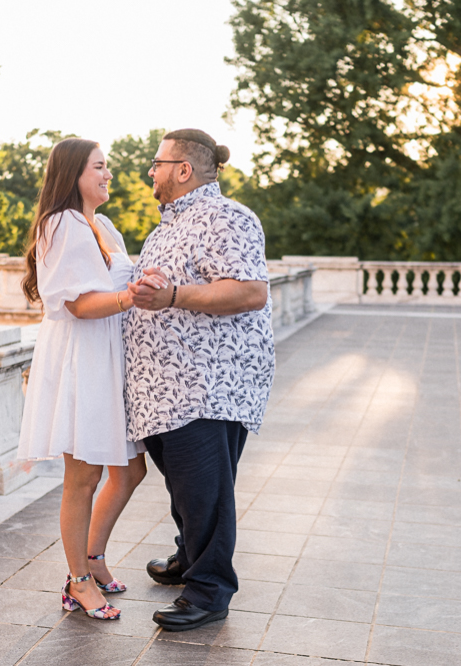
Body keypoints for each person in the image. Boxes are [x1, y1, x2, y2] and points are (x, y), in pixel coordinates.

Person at [124, 129, 275, 631]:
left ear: (182, 169)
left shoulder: (226, 217)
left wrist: (170, 298)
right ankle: (189, 557)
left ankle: (209, 589)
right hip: (167, 387)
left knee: (204, 489)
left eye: (157, 162)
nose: (150, 171)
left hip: (207, 384)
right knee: (187, 485)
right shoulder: (167, 226)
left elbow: (249, 291)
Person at [17, 138, 163, 621]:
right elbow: (79, 304)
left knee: (131, 471)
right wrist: (131, 296)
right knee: (83, 477)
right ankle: (77, 582)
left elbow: (120, 282)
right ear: (73, 174)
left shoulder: (103, 226)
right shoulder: (60, 225)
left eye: (108, 167)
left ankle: (94, 557)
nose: (108, 174)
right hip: (81, 359)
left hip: (109, 355)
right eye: (100, 167)